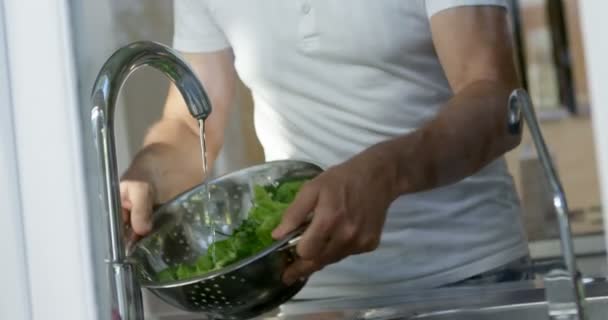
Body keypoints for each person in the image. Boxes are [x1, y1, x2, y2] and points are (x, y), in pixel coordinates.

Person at [120, 0, 531, 302]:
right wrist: (149, 174)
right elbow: (191, 127)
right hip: (311, 289)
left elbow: (494, 100)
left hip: (468, 277)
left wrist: (385, 172)